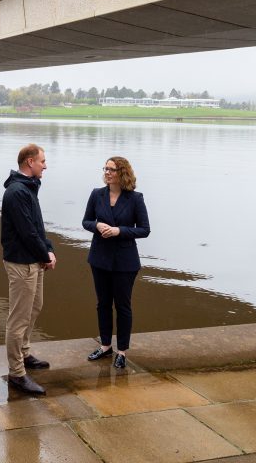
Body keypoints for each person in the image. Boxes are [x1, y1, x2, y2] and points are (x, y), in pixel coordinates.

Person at [82, 156, 150, 369]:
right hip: (99, 259)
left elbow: (145, 229)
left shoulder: (135, 198)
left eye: (111, 169)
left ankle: (122, 351)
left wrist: (120, 231)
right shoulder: (96, 194)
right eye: (105, 168)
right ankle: (104, 346)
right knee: (102, 304)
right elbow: (86, 221)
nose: (107, 172)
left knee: (123, 306)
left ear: (122, 173)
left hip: (125, 261)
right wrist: (97, 226)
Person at [1, 143, 56, 395]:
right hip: (22, 263)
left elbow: (37, 226)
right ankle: (17, 373)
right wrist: (44, 254)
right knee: (18, 319)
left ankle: (24, 354)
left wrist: (48, 249)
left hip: (34, 260)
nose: (45, 166)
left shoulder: (29, 188)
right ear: (30, 162)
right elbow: (26, 231)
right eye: (42, 161)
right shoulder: (16, 192)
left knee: (36, 307)